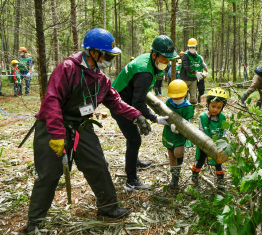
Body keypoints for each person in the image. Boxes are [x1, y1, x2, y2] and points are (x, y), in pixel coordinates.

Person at [25, 28, 152, 233]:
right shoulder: (67, 68)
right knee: (49, 174)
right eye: (108, 55)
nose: (110, 59)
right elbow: (52, 101)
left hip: (81, 126)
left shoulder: (101, 78)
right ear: (94, 53)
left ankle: (108, 207)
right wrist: (57, 134)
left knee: (98, 164)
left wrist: (136, 115)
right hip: (53, 125)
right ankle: (35, 220)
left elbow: (115, 102)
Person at [111, 35, 178, 191]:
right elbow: (138, 103)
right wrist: (155, 118)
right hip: (119, 104)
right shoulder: (145, 73)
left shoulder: (146, 60)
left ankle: (135, 162)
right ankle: (131, 180)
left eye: (169, 60)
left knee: (134, 138)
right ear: (154, 55)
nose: (166, 63)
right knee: (134, 139)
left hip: (121, 99)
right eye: (164, 59)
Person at [190, 88, 229, 190]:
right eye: (213, 106)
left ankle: (220, 179)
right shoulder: (203, 117)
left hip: (217, 145)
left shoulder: (222, 118)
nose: (215, 109)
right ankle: (194, 175)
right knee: (200, 160)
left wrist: (224, 141)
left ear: (222, 108)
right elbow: (201, 131)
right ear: (207, 104)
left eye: (218, 107)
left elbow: (225, 130)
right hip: (204, 144)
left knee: (218, 162)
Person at [162, 79, 194, 189]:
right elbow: (165, 113)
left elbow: (187, 121)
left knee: (178, 153)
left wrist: (179, 128)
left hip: (180, 134)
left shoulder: (187, 106)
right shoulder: (169, 102)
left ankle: (180, 157)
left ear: (185, 94)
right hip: (169, 132)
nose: (175, 98)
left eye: (178, 96)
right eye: (174, 96)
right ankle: (175, 178)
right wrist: (167, 122)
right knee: (171, 154)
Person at [179, 38, 208, 107]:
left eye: (193, 47)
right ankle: (184, 109)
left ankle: (192, 111)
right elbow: (186, 66)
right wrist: (195, 72)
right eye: (190, 47)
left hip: (193, 79)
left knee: (193, 96)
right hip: (185, 78)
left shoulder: (197, 56)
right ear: (188, 47)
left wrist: (205, 72)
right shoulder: (185, 55)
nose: (192, 48)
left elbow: (201, 64)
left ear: (196, 47)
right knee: (184, 94)